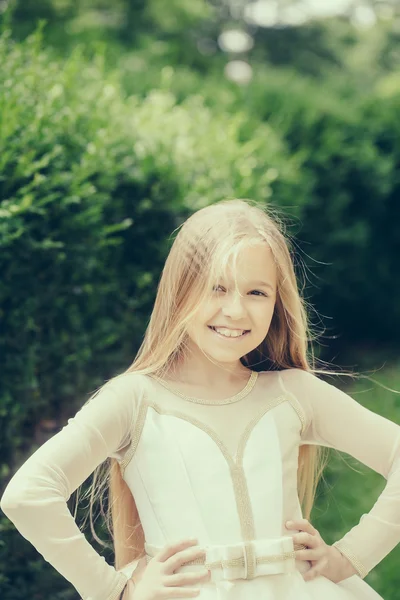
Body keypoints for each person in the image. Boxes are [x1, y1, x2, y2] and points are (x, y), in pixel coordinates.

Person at [1, 198, 399, 600]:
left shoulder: (293, 393)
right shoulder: (134, 400)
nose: (235, 310)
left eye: (257, 292)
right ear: (181, 290)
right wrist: (113, 591)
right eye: (217, 287)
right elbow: (29, 494)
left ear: (277, 302)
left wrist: (353, 556)